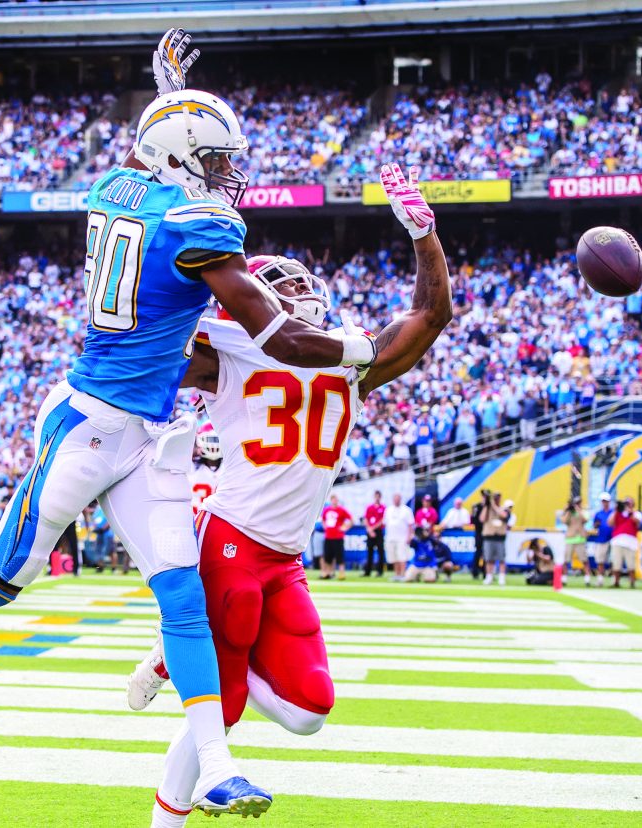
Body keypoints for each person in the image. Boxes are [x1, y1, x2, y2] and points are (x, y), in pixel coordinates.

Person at [0, 31, 381, 817]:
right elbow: (281, 337)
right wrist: (366, 348)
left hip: (149, 432)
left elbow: (148, 158)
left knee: (184, 598)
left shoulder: (119, 187)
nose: (228, 177)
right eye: (217, 163)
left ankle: (217, 771)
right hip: (87, 425)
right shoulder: (197, 228)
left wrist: (170, 91)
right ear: (184, 162)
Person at [124, 157, 449, 827]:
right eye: (281, 283)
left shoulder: (349, 356)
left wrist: (424, 236)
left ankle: (180, 652)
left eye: (303, 282)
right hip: (234, 537)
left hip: (286, 556)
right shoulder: (233, 345)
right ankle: (167, 817)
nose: (299, 291)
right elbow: (146, 341)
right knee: (228, 701)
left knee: (308, 712)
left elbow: (429, 313)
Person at [557, 497, 594, 585]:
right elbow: (564, 521)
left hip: (580, 539)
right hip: (570, 539)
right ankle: (564, 579)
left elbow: (585, 520)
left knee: (584, 560)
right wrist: (568, 511)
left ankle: (587, 579)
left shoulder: (581, 512)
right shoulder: (568, 512)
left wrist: (578, 510)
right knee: (566, 560)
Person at [608, 496, 642, 588]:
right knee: (616, 563)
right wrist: (617, 510)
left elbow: (638, 522)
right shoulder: (618, 513)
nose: (627, 505)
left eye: (629, 503)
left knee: (630, 564)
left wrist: (630, 512)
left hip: (630, 542)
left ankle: (632, 582)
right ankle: (616, 582)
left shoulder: (636, 513)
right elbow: (610, 523)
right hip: (618, 541)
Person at [384, 492, 417, 580]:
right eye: (395, 499)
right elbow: (386, 523)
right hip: (390, 537)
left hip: (402, 537)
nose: (396, 500)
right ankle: (397, 574)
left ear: (400, 499)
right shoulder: (388, 509)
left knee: (402, 557)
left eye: (398, 498)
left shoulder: (406, 510)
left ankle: (403, 574)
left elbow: (411, 525)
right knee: (393, 557)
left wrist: (409, 536)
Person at [480, 492, 511, 585]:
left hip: (500, 537)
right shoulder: (487, 509)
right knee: (488, 558)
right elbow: (481, 519)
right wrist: (487, 505)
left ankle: (502, 577)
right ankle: (489, 576)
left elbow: (503, 515)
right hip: (489, 536)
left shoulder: (504, 509)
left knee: (501, 558)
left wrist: (493, 505)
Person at [319, 494, 352, 580]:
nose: (334, 501)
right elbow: (323, 519)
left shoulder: (342, 510)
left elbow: (351, 519)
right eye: (333, 499)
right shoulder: (327, 510)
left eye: (336, 499)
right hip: (328, 536)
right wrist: (324, 526)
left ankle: (341, 573)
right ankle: (328, 573)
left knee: (339, 556)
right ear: (331, 500)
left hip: (338, 536)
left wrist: (345, 527)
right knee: (328, 556)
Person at [589, 492, 614, 583]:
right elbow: (595, 526)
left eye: (606, 501)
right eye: (603, 501)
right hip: (601, 538)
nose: (605, 503)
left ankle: (613, 579)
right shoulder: (598, 514)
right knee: (600, 560)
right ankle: (600, 579)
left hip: (612, 538)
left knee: (613, 560)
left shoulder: (613, 513)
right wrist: (596, 524)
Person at [362, 491, 386, 577]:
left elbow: (382, 520)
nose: (377, 498)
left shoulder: (383, 507)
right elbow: (366, 519)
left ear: (380, 497)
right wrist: (369, 529)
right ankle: (367, 571)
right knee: (369, 552)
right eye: (376, 496)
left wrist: (373, 528)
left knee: (380, 551)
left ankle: (380, 571)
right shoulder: (369, 507)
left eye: (378, 496)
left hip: (378, 531)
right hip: (370, 531)